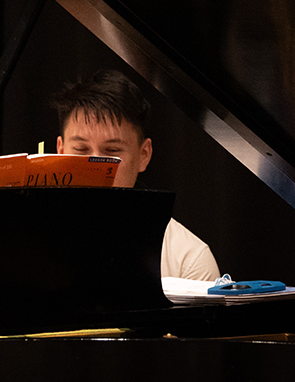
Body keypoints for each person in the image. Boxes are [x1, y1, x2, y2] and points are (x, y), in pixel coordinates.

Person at [52, 69, 222, 282]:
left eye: (112, 151)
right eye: (80, 150)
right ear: (60, 151)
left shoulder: (188, 258)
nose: (95, 165)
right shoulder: (30, 240)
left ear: (144, 155)